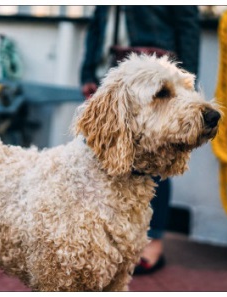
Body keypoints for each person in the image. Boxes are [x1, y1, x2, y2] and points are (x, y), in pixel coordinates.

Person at [80, 5, 200, 275]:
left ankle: (152, 239)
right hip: (109, 70)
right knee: (102, 157)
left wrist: (187, 84)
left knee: (158, 156)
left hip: (153, 70)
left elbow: (188, 24)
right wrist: (87, 72)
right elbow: (97, 24)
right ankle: (105, 236)